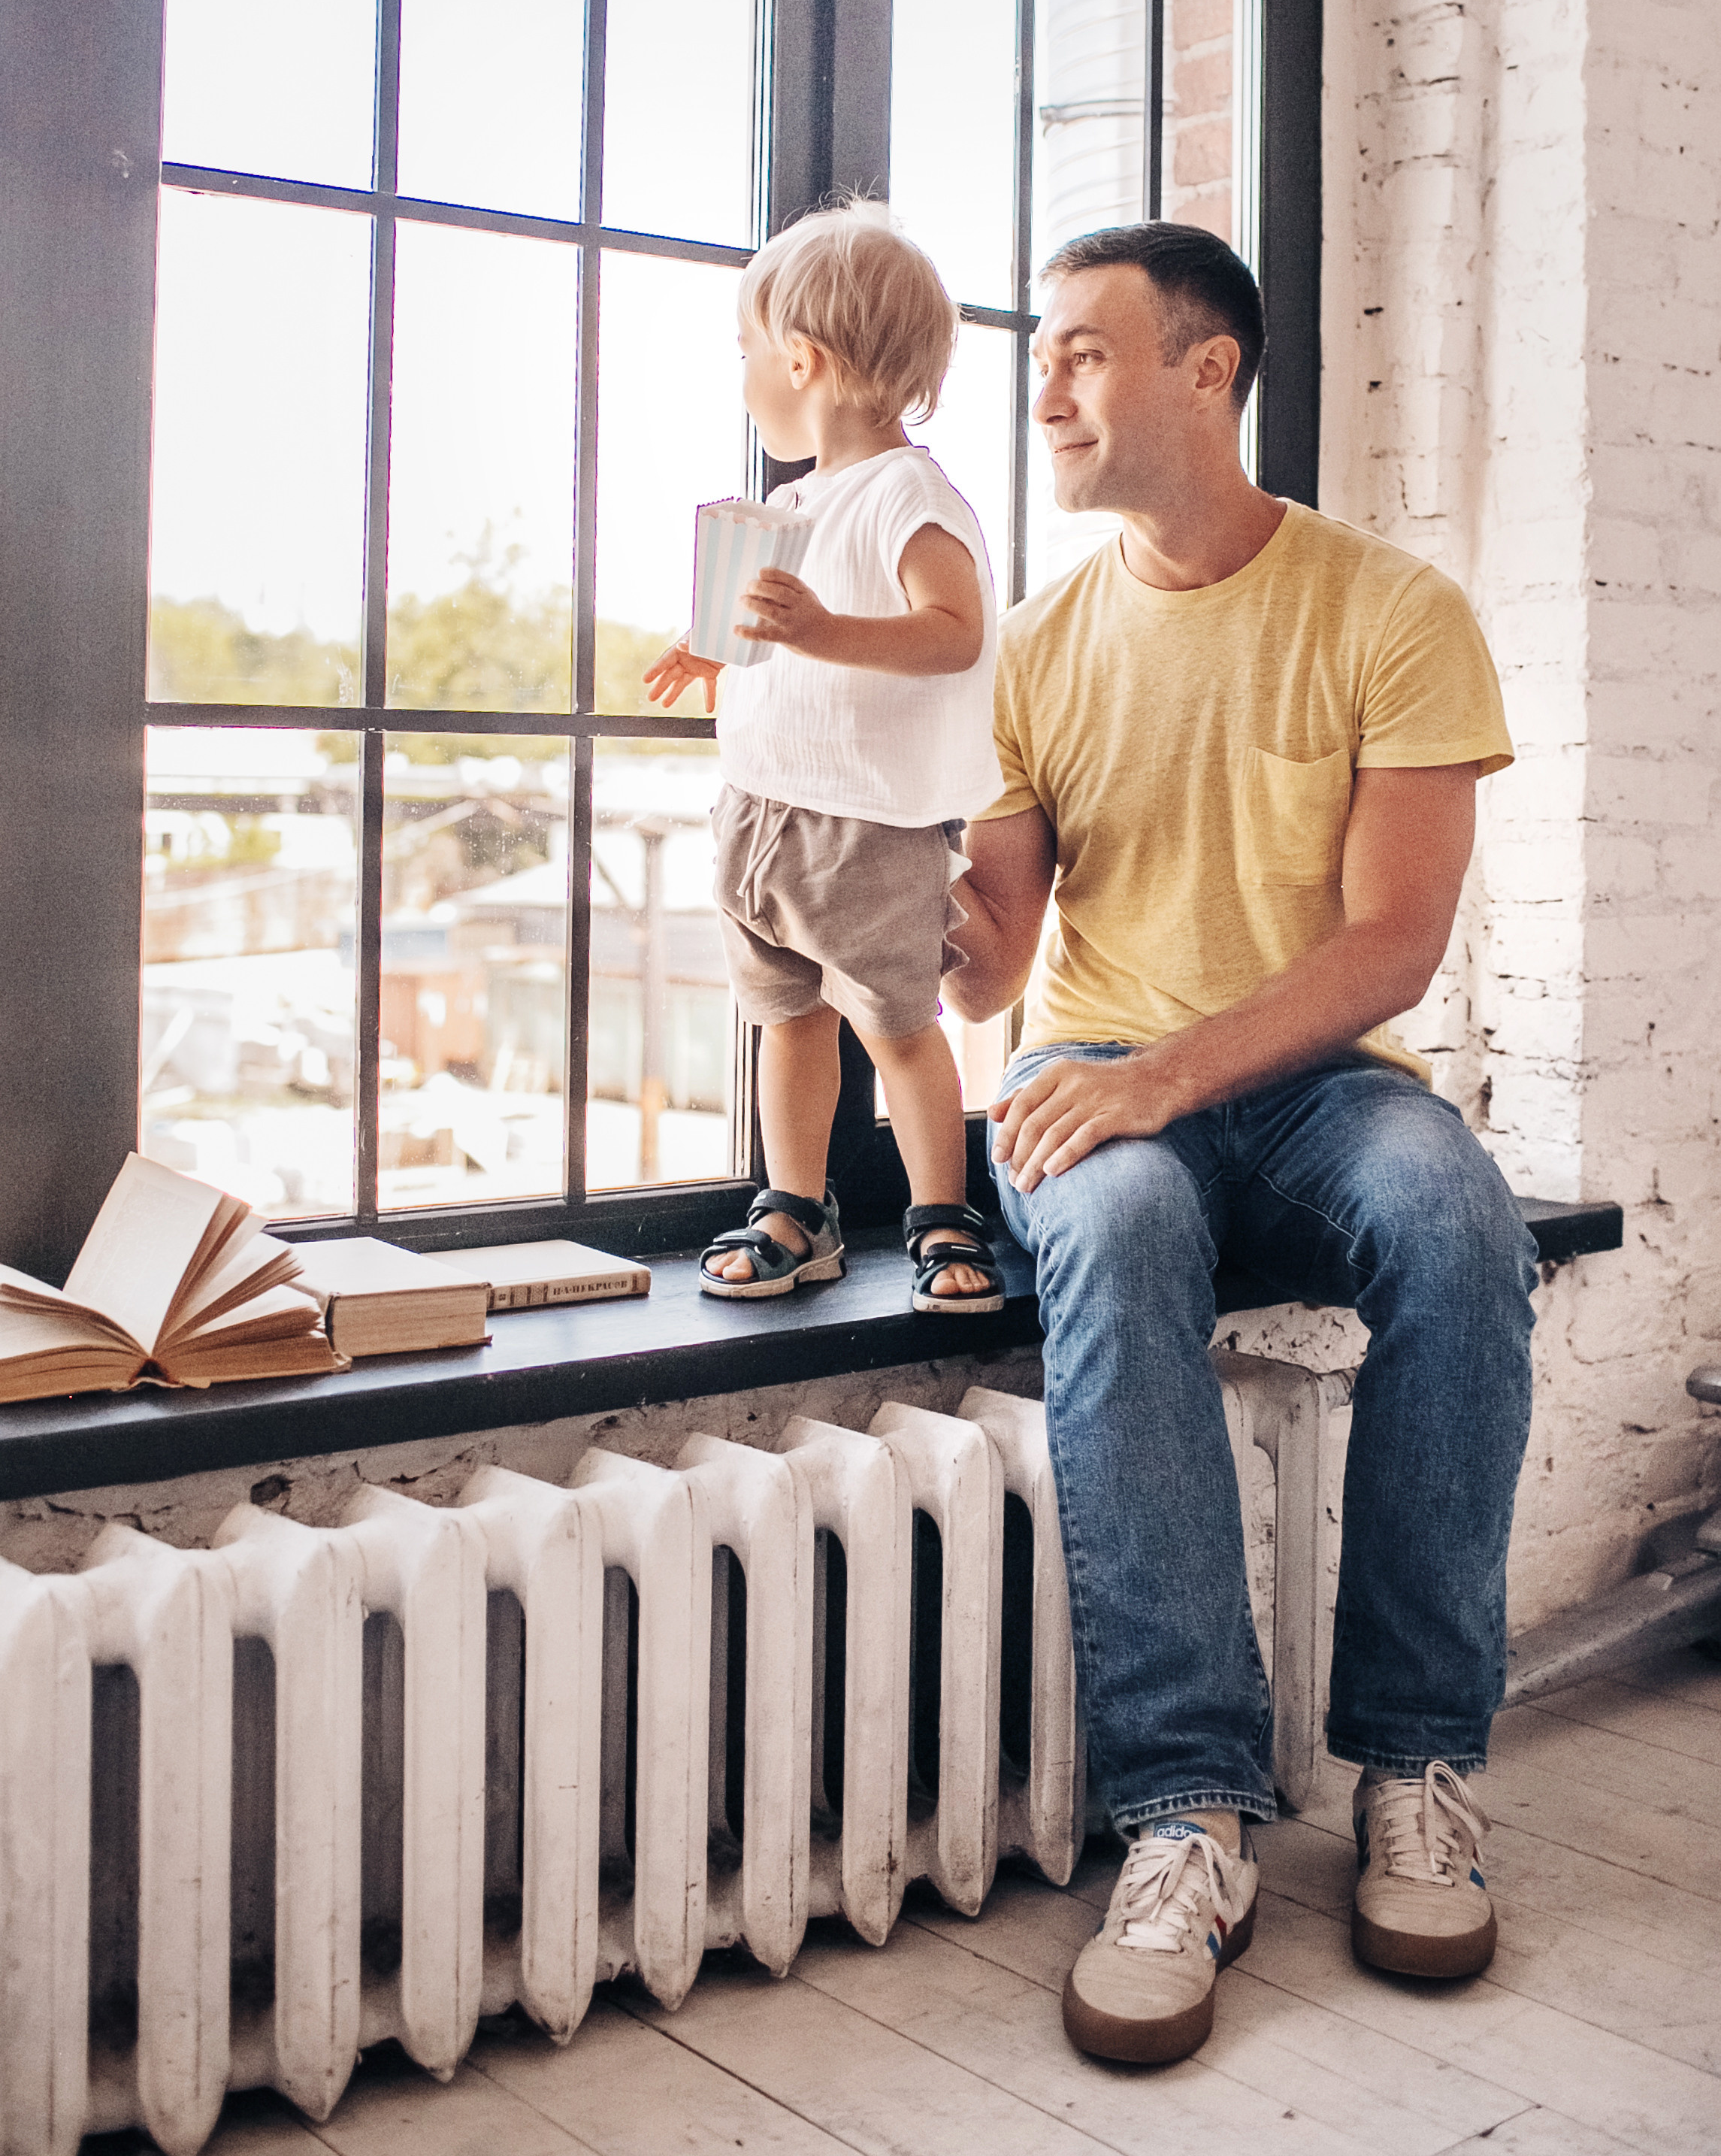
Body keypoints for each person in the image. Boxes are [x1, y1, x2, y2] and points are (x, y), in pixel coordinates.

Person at [943, 221, 1535, 2070]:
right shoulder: (1032, 646)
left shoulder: (1390, 609)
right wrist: (847, 860)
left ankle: (1417, 1765)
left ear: (1210, 370)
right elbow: (990, 969)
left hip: (1304, 1076)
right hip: (1101, 1079)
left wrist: (1168, 1072)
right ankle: (1188, 1816)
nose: (1043, 385)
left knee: (1456, 1211)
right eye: (1041, 353)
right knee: (1111, 1236)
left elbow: (1393, 943)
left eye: (1083, 351)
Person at [645, 203, 1006, 1312]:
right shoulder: (792, 504)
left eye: (747, 353)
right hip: (761, 813)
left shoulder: (908, 494)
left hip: (865, 824)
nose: (746, 375)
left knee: (898, 1029)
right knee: (783, 1018)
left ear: (799, 358)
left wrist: (815, 633)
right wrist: (720, 655)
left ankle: (943, 1218)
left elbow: (954, 631)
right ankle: (793, 1207)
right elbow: (780, 635)